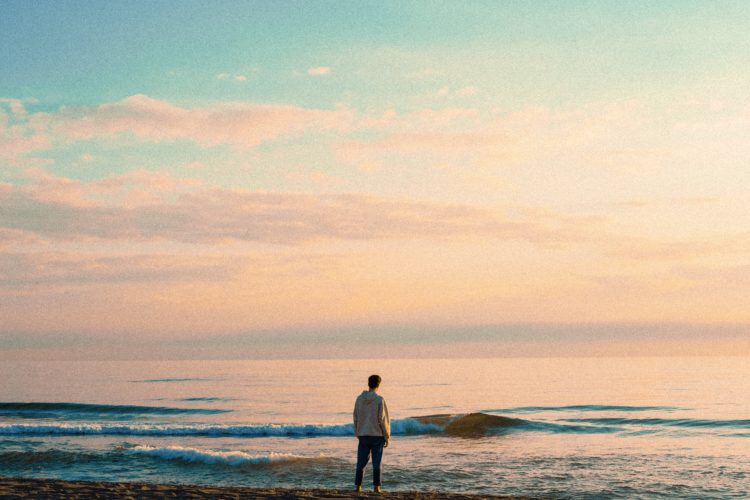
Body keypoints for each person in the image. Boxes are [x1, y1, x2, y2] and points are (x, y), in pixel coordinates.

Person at [353, 374, 390, 493]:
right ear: (378, 385)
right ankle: (377, 487)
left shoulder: (359, 399)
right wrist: (387, 435)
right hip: (377, 435)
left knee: (361, 462)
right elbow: (382, 419)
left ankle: (358, 486)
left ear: (368, 383)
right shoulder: (379, 399)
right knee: (376, 462)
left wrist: (357, 432)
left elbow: (355, 417)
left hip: (363, 434)